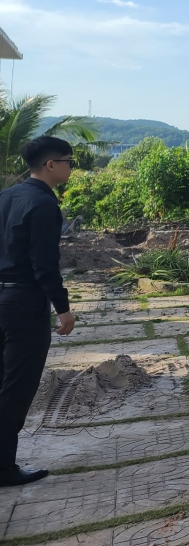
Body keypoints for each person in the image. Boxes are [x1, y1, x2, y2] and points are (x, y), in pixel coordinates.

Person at [0, 136, 77, 486]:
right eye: (69, 162)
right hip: (23, 304)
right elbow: (44, 265)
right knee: (16, 387)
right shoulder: (44, 205)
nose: (71, 167)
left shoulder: (6, 197)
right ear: (50, 165)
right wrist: (63, 309)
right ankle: (3, 469)